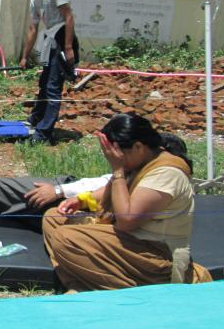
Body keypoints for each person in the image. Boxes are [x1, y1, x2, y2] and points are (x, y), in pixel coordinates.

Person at [42, 113, 212, 292]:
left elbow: (127, 220)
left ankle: (135, 291)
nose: (114, 159)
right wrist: (81, 200)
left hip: (156, 255)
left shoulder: (166, 173)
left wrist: (117, 170)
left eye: (117, 154)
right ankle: (80, 284)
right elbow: (115, 191)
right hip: (132, 244)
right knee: (54, 218)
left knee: (66, 238)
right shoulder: (143, 161)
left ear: (138, 146)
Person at [16, 0, 78, 145]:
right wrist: (25, 56)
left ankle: (44, 133)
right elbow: (33, 29)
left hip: (62, 39)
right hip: (50, 41)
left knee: (53, 87)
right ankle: (36, 119)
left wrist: (68, 47)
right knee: (44, 83)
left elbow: (68, 17)